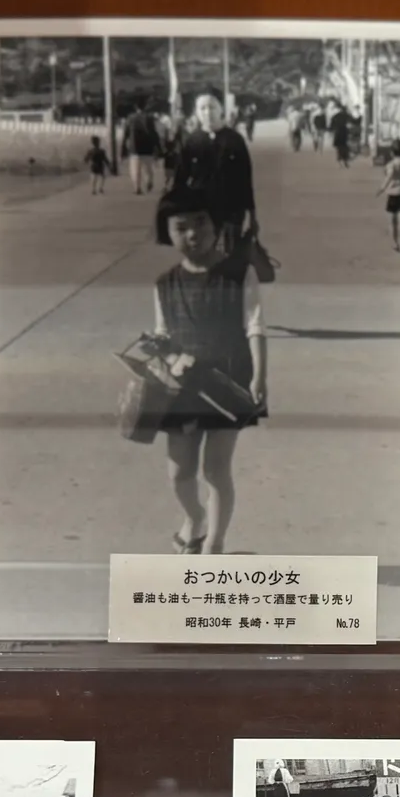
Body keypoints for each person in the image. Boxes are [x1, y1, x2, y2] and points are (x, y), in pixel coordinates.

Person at [149, 192, 268, 556]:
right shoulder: (164, 284)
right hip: (182, 388)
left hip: (227, 382)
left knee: (216, 470)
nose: (193, 234)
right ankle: (195, 518)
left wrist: (259, 376)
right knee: (179, 472)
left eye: (201, 223)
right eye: (181, 227)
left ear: (216, 227)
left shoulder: (240, 273)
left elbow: (255, 325)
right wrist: (161, 355)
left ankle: (214, 544)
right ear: (167, 233)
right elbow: (162, 335)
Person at [167, 91, 258, 258]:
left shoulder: (234, 140)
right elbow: (180, 177)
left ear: (220, 109)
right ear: (196, 112)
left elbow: (245, 177)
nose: (207, 112)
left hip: (232, 206)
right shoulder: (191, 142)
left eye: (212, 107)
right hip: (202, 208)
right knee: (205, 253)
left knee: (232, 253)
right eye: (202, 108)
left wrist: (252, 213)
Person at [377, 138, 400, 252]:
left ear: (392, 152)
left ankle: (395, 242)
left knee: (392, 219)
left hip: (394, 193)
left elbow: (389, 176)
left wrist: (382, 188)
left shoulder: (392, 164)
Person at [125, 104, 162, 195]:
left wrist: (123, 148)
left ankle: (137, 188)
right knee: (148, 168)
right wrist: (158, 146)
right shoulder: (149, 118)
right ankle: (149, 181)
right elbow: (154, 133)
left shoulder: (130, 118)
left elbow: (126, 133)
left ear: (136, 108)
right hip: (148, 147)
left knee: (135, 169)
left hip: (135, 147)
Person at [329, 102, 354, 167]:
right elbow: (352, 122)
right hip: (345, 132)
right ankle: (345, 160)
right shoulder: (347, 115)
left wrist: (331, 130)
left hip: (338, 133)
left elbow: (331, 125)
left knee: (339, 147)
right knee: (345, 146)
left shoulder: (335, 116)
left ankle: (340, 160)